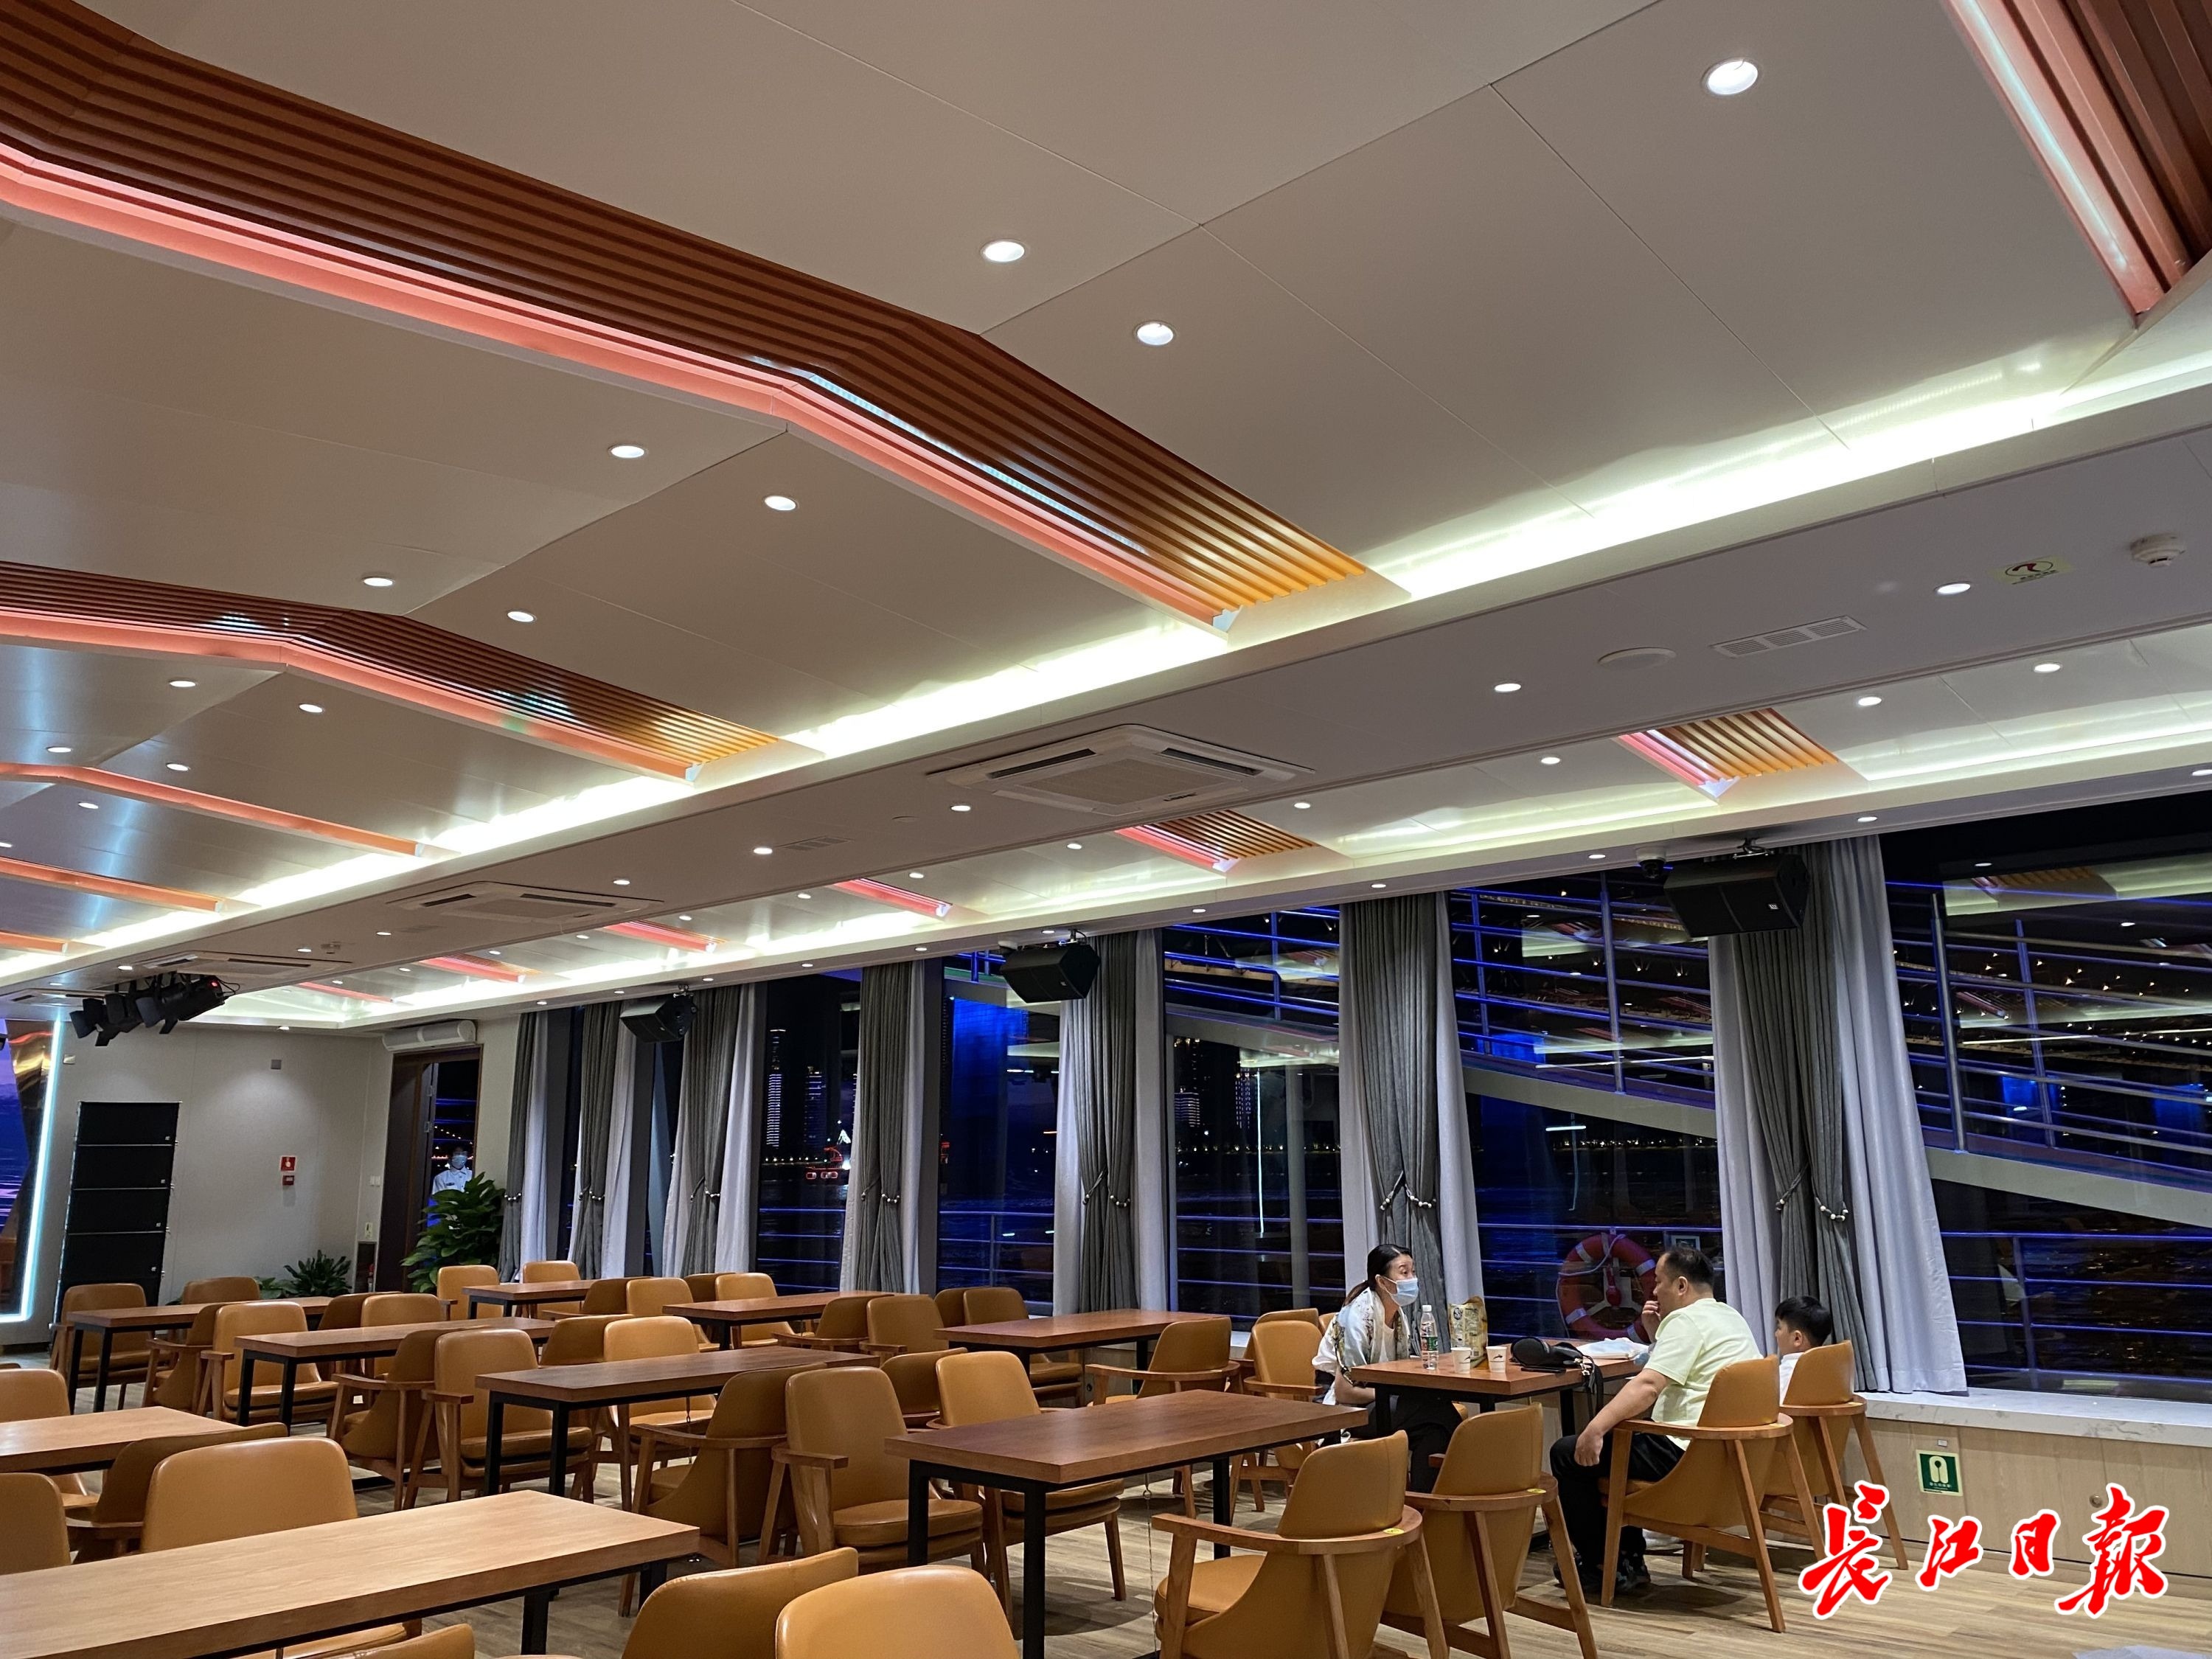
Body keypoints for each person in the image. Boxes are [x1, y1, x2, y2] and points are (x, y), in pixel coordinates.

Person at [1548, 1245, 1759, 1597]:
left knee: (1570, 1453)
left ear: (1681, 1285)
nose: (1654, 1291)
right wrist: (1657, 1336)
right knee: (1622, 1442)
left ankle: (1603, 1564)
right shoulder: (1729, 1317)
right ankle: (1627, 1560)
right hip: (1727, 1457)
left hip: (1687, 1455)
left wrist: (1595, 1428)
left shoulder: (1686, 1320)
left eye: (1658, 1282)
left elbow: (1648, 1386)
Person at [1321, 1242, 1458, 1492]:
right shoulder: (1356, 1316)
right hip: (1348, 1412)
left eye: (1413, 1271)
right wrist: (1390, 1394)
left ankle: (1423, 1505)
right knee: (1439, 1411)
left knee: (1434, 1431)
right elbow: (1344, 1392)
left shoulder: (1397, 1314)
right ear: (1382, 1281)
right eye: (1404, 1272)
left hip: (1384, 1403)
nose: (1412, 1278)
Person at [1774, 1294, 1833, 1394]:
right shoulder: (1832, 1371)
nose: (1776, 1334)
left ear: (1797, 1338)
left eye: (1779, 1328)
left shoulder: (1783, 1376)